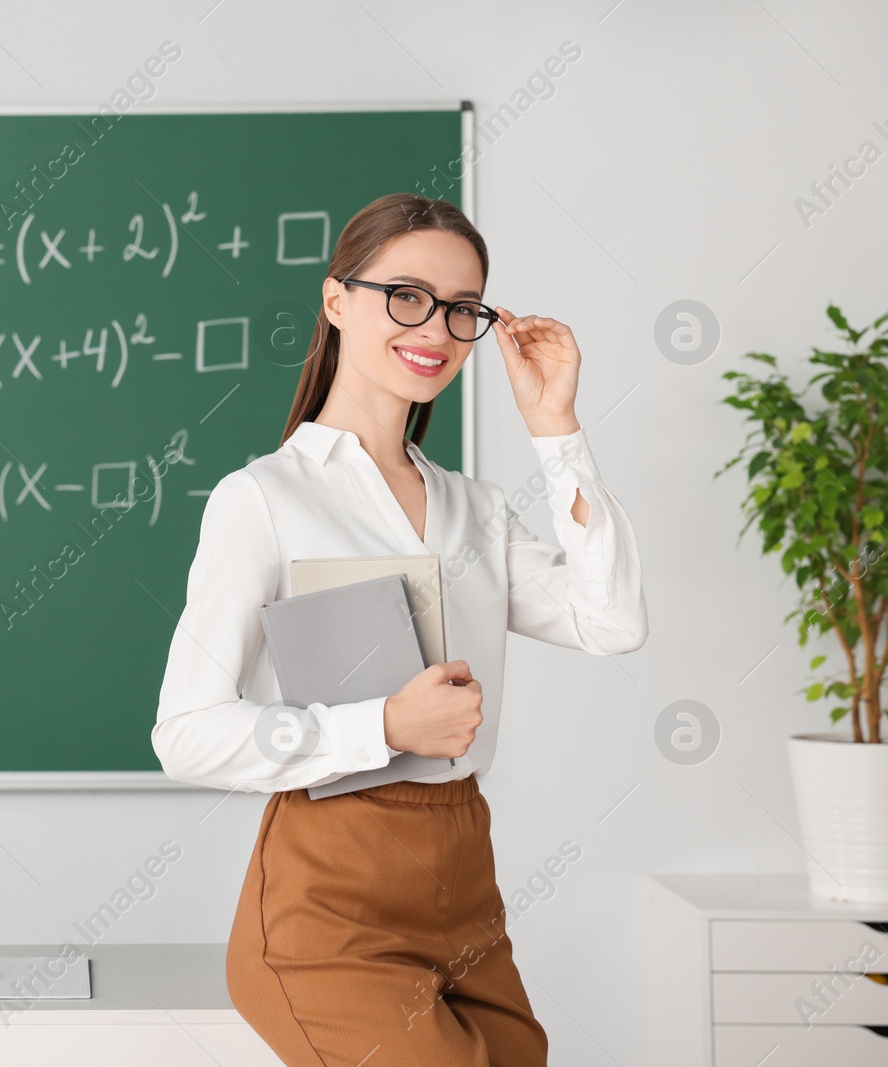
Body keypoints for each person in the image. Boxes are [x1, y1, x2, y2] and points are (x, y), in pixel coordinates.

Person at [150, 192, 647, 1067]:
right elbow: (185, 734)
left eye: (464, 310)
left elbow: (610, 621)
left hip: (464, 880)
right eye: (407, 295)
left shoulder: (474, 509)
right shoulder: (264, 499)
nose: (438, 329)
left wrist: (556, 430)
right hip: (328, 900)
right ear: (338, 301)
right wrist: (379, 727)